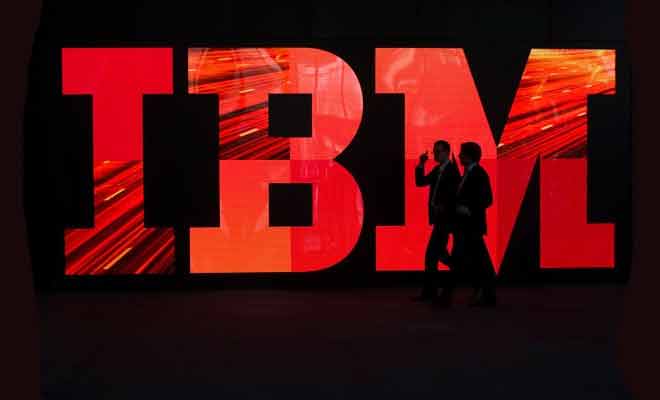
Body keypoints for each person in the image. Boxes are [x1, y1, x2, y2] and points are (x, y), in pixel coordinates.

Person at [412, 140, 461, 305]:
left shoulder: (452, 171)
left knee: (432, 255)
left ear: (447, 152)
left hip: (446, 220)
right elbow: (420, 182)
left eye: (438, 152)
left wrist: (444, 206)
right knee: (434, 255)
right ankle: (431, 291)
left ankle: (432, 290)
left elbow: (454, 194)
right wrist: (421, 164)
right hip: (439, 219)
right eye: (435, 152)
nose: (435, 155)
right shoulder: (438, 169)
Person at [452, 142, 497, 307]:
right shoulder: (468, 173)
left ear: (469, 156)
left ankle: (486, 293)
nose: (459, 156)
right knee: (476, 261)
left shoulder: (479, 174)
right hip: (466, 226)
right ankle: (483, 292)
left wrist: (468, 209)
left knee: (480, 261)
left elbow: (487, 199)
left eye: (462, 153)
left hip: (472, 225)